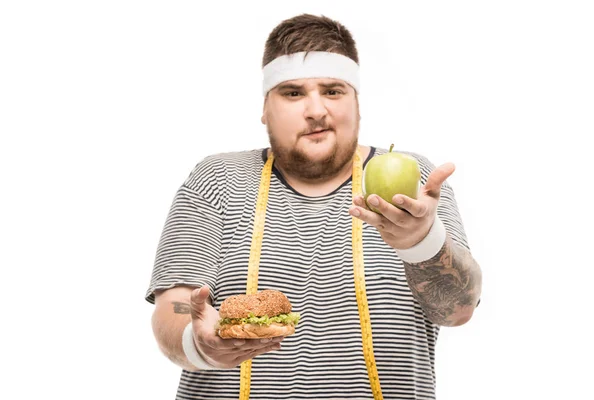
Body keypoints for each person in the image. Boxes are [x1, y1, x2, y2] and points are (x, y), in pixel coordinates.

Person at [146, 13, 482, 400]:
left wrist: (422, 243)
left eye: (333, 91)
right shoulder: (217, 180)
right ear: (264, 109)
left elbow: (457, 311)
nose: (316, 110)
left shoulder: (415, 186)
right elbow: (172, 309)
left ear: (357, 103)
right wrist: (196, 342)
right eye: (293, 93)